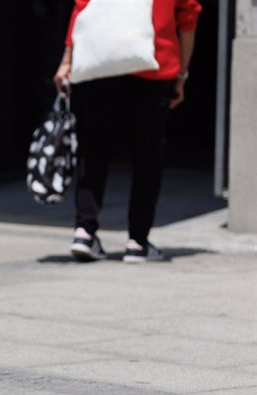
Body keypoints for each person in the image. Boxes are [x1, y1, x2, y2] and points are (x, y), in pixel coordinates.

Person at [53, 0, 202, 263]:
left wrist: (67, 60)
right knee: (148, 154)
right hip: (154, 63)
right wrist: (183, 76)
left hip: (102, 61)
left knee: (95, 147)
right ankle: (137, 241)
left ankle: (84, 232)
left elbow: (81, 8)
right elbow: (189, 18)